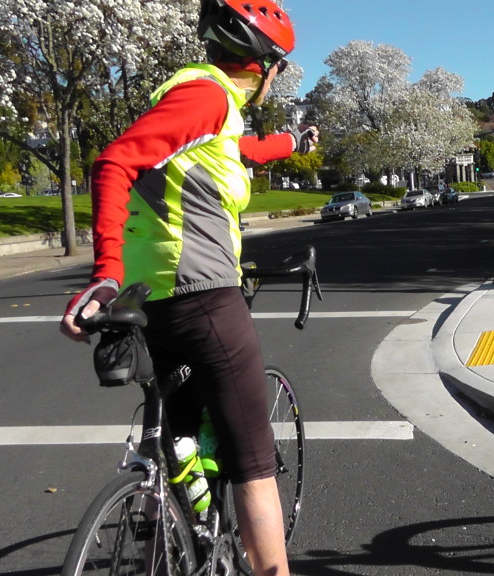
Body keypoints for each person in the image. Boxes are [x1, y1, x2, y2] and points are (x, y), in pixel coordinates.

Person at [60, 2, 318, 575]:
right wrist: (103, 273)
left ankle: (190, 535)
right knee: (252, 461)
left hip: (154, 299)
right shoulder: (206, 97)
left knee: (180, 439)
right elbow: (114, 163)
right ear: (266, 66)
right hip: (203, 296)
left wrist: (291, 143)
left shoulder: (201, 105)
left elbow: (240, 151)